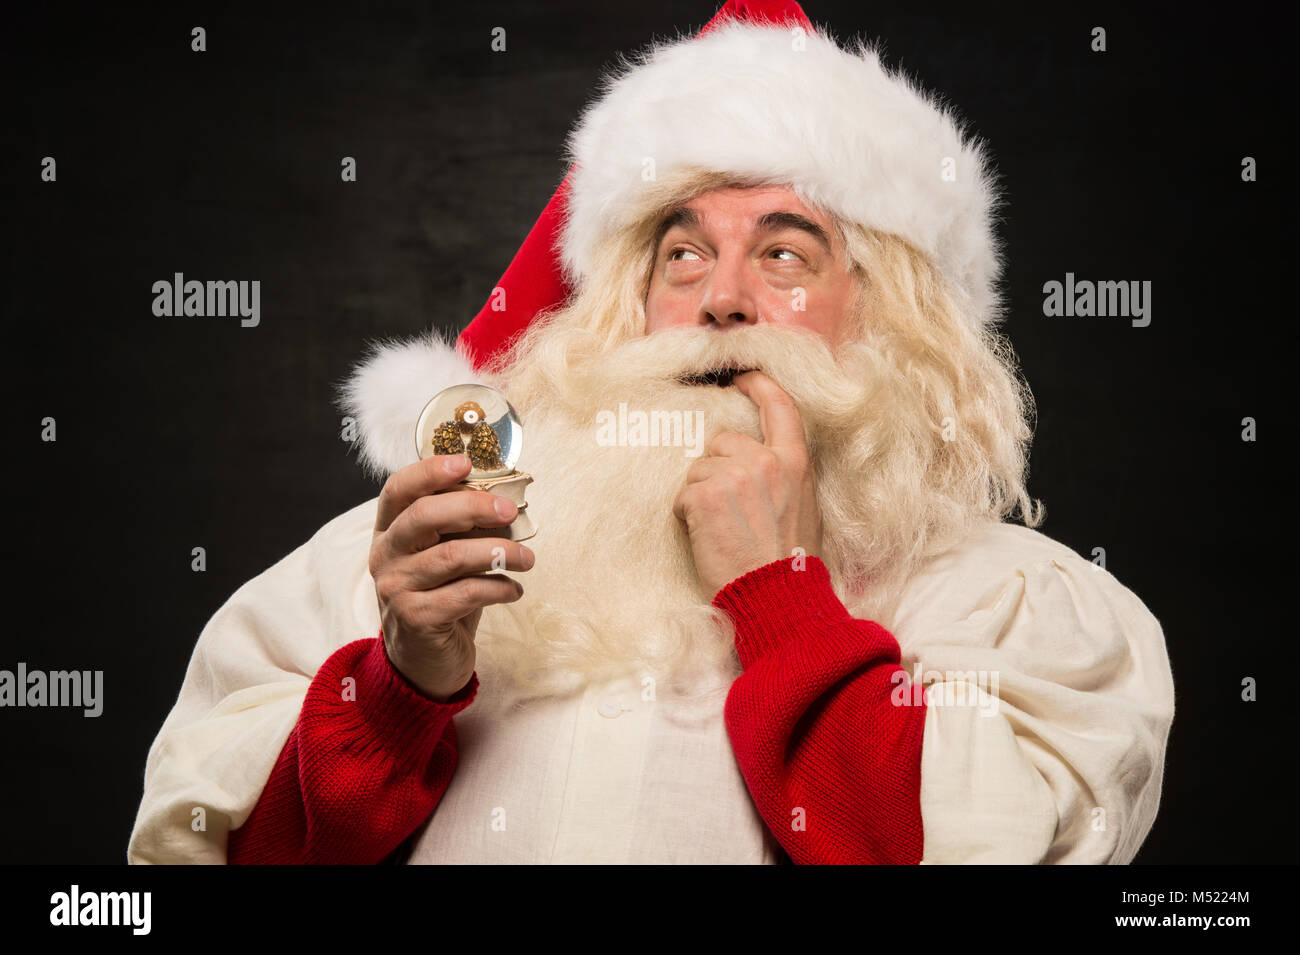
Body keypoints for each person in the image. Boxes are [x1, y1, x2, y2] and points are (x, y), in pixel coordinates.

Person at [128, 0, 1175, 865]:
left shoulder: (1009, 605)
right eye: (680, 254)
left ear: (889, 317)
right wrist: (400, 688)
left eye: (785, 255)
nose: (719, 298)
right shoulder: (404, 566)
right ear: (623, 305)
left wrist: (779, 594)